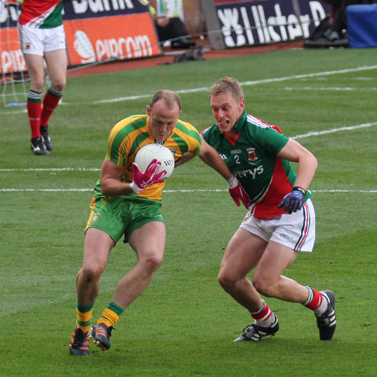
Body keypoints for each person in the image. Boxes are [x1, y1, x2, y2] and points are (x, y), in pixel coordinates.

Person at [69, 89, 248, 356]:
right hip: (113, 202)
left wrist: (232, 181)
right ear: (148, 111)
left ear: (179, 118)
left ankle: (105, 323)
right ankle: (82, 327)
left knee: (153, 257)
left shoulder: (185, 134)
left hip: (147, 206)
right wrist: (133, 185)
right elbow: (106, 184)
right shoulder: (124, 132)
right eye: (158, 121)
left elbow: (206, 150)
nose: (163, 129)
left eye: (170, 123)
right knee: (92, 269)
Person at [0, 0, 159, 155]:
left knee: (59, 83)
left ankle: (43, 125)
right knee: (37, 81)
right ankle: (35, 137)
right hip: (30, 28)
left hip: (54, 29)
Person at [201, 77, 337, 343]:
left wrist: (298, 190)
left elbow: (307, 157)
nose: (220, 115)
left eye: (226, 108)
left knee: (265, 282)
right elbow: (193, 149)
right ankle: (265, 321)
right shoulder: (212, 136)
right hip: (259, 212)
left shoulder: (258, 131)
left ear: (241, 105)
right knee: (228, 277)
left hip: (291, 215)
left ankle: (321, 303)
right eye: (215, 108)